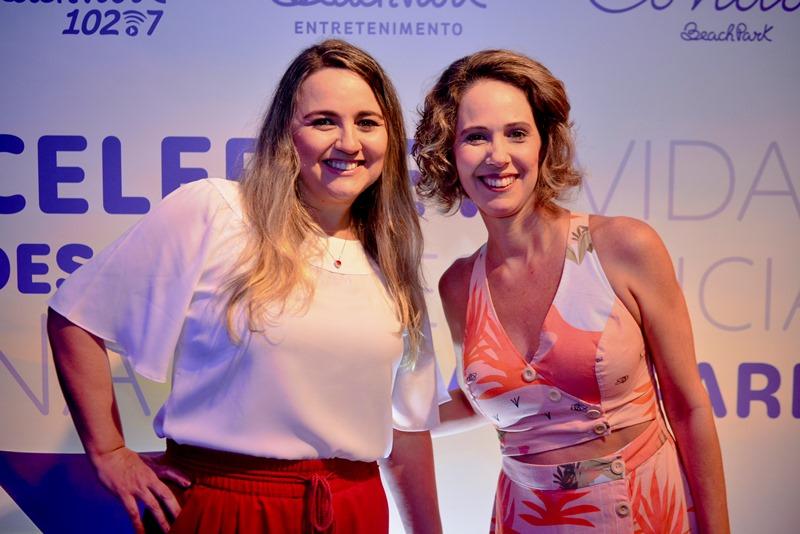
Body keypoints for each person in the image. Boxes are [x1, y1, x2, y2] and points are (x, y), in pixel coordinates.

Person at [48, 39, 447, 534]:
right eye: (323, 121)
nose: (349, 142)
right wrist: (109, 452)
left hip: (355, 511)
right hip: (226, 508)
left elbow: (407, 430)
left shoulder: (393, 262)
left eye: (367, 122)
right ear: (285, 133)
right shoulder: (216, 210)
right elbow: (76, 315)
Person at [413, 50, 729, 533]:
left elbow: (689, 407)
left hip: (644, 512)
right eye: (475, 137)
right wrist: (373, 415)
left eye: (516, 133)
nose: (498, 156)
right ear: (449, 155)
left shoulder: (623, 246)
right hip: (524, 518)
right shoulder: (458, 284)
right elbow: (483, 399)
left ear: (544, 143)